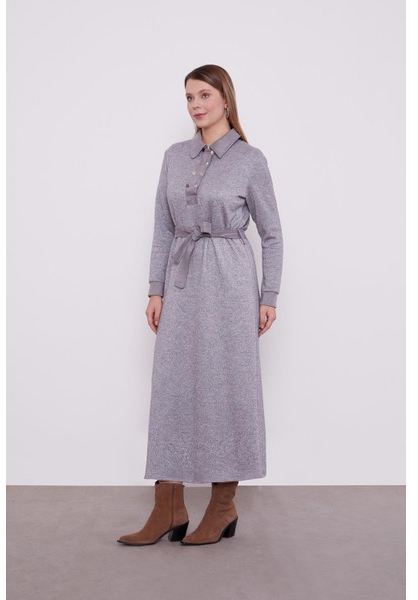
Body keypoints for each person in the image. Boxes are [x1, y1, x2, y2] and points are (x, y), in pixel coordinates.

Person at [117, 64, 283, 547]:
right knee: (172, 386)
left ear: (225, 99)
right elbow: (163, 227)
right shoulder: (174, 156)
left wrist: (268, 295)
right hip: (182, 278)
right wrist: (156, 289)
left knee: (226, 385)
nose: (195, 105)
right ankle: (167, 507)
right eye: (189, 96)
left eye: (204, 95)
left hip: (230, 281)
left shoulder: (250, 159)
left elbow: (272, 233)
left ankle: (223, 506)